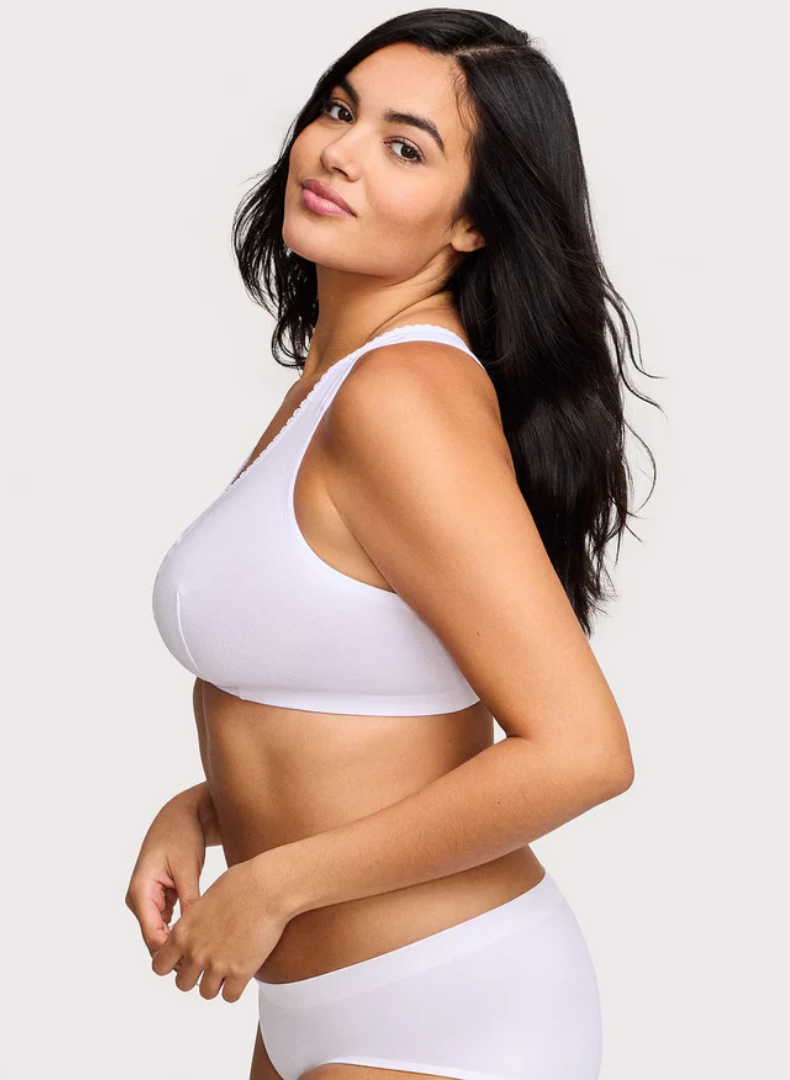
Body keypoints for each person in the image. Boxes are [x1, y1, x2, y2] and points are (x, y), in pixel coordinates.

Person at [126, 9, 657, 1080]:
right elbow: (365, 716)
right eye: (340, 110)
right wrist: (206, 810)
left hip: (447, 1006)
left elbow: (583, 751)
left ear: (475, 224)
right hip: (313, 1008)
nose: (340, 152)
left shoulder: (401, 393)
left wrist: (275, 884)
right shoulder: (336, 385)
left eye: (406, 147)